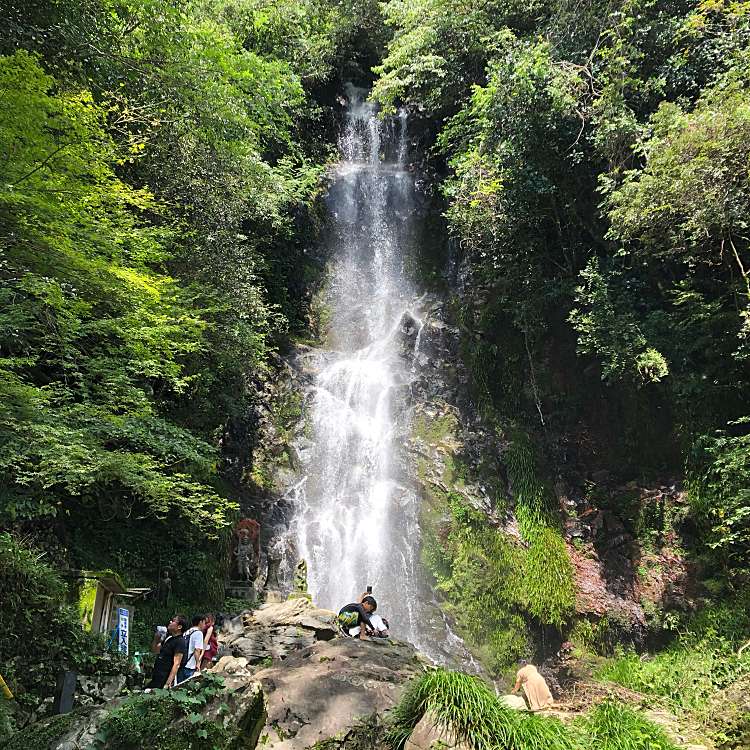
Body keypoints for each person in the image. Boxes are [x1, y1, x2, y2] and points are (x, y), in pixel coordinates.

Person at [146, 614, 188, 689]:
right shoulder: (169, 638)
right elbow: (155, 651)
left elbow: (177, 664)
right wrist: (156, 640)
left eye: (174, 621)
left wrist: (168, 683)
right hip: (157, 675)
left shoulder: (180, 641)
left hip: (165, 678)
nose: (170, 622)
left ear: (179, 627)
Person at [178, 614, 206, 683]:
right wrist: (198, 663)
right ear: (200, 622)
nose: (205, 625)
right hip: (190, 666)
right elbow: (197, 650)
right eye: (204, 623)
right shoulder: (199, 633)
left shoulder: (187, 632)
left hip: (182, 664)